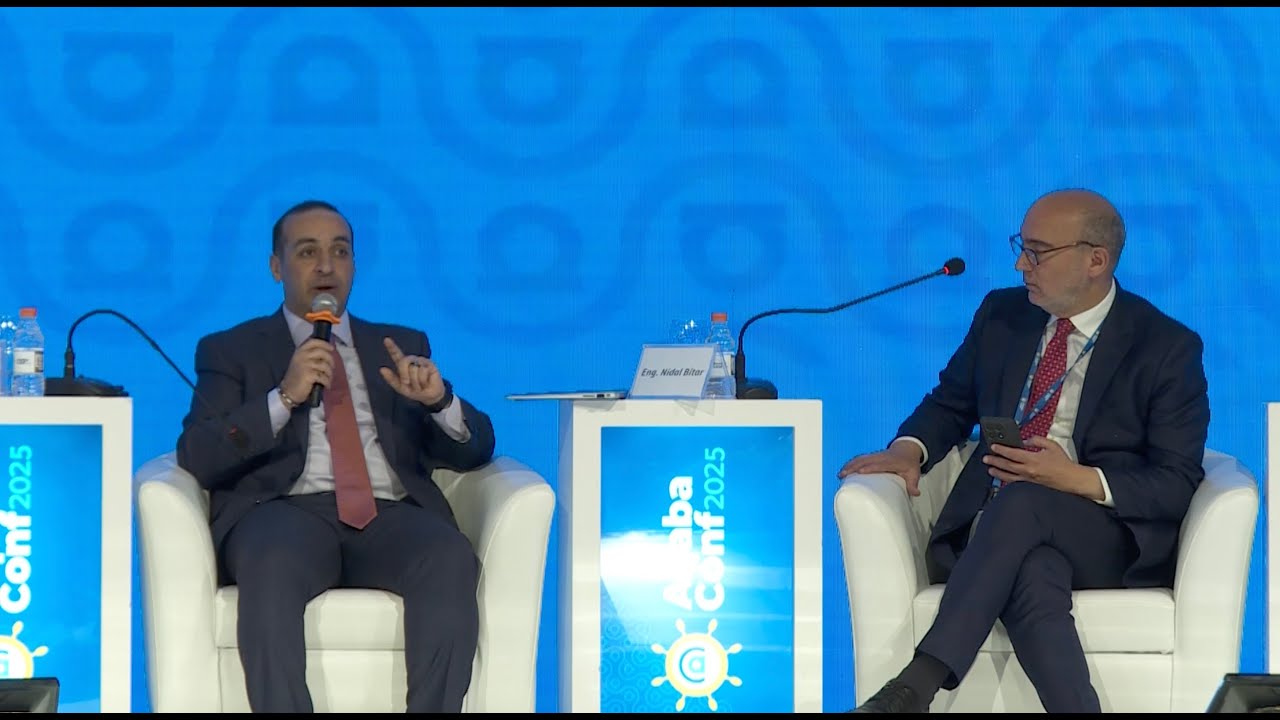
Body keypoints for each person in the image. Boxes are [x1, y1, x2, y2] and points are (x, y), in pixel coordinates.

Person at [838, 189, 1209, 713]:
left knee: (1025, 499)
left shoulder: (1165, 346)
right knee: (1034, 573)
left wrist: (1074, 478)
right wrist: (908, 450)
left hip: (1104, 537)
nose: (1021, 265)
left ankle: (916, 685)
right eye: (1021, 246)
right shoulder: (1003, 315)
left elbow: (1176, 481)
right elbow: (950, 402)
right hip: (995, 530)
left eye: (1038, 252)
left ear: (1096, 261)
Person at [175, 199, 496, 713]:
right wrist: (283, 397)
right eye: (307, 252)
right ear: (276, 267)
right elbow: (197, 453)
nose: (326, 266)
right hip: (283, 513)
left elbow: (476, 449)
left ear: (353, 265)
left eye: (340, 251)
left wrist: (438, 401)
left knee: (449, 555)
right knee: (271, 562)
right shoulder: (232, 349)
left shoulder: (399, 343)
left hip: (390, 514)